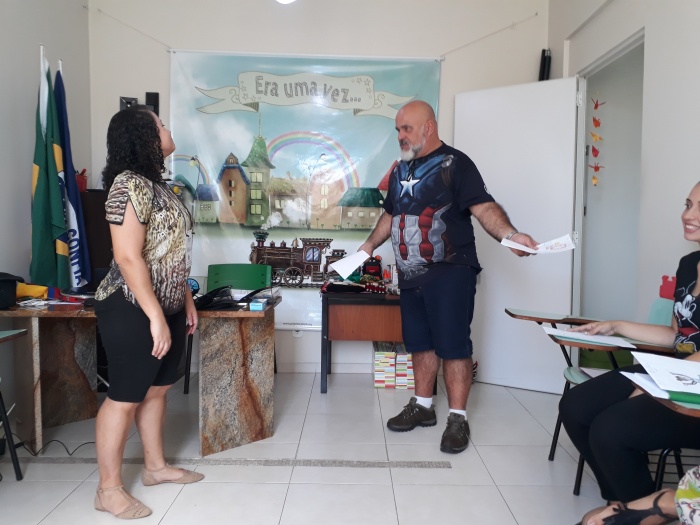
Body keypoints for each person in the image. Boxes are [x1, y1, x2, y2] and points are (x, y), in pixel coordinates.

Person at [359, 100, 537, 453]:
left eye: (406, 128)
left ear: (428, 127)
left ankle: (458, 417)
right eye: (397, 129)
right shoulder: (399, 171)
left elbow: (483, 207)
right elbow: (390, 215)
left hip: (451, 272)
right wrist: (366, 247)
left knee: (454, 346)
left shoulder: (457, 164)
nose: (400, 135)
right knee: (419, 343)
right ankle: (423, 406)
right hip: (410, 274)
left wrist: (510, 235)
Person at [92, 105, 203, 519]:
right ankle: (107, 490)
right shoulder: (127, 185)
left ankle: (155, 468)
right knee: (124, 395)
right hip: (129, 305)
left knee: (157, 389)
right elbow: (127, 256)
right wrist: (155, 316)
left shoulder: (158, 186)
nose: (167, 128)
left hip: (166, 305)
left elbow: (170, 251)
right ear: (144, 135)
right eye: (160, 124)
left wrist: (185, 299)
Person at [560, 181, 700, 505]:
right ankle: (622, 502)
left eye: (698, 208)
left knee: (610, 429)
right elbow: (677, 335)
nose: (687, 214)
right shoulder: (688, 265)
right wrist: (617, 325)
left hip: (689, 389)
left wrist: (658, 385)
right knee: (575, 407)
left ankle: (644, 510)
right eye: (688, 204)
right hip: (673, 371)